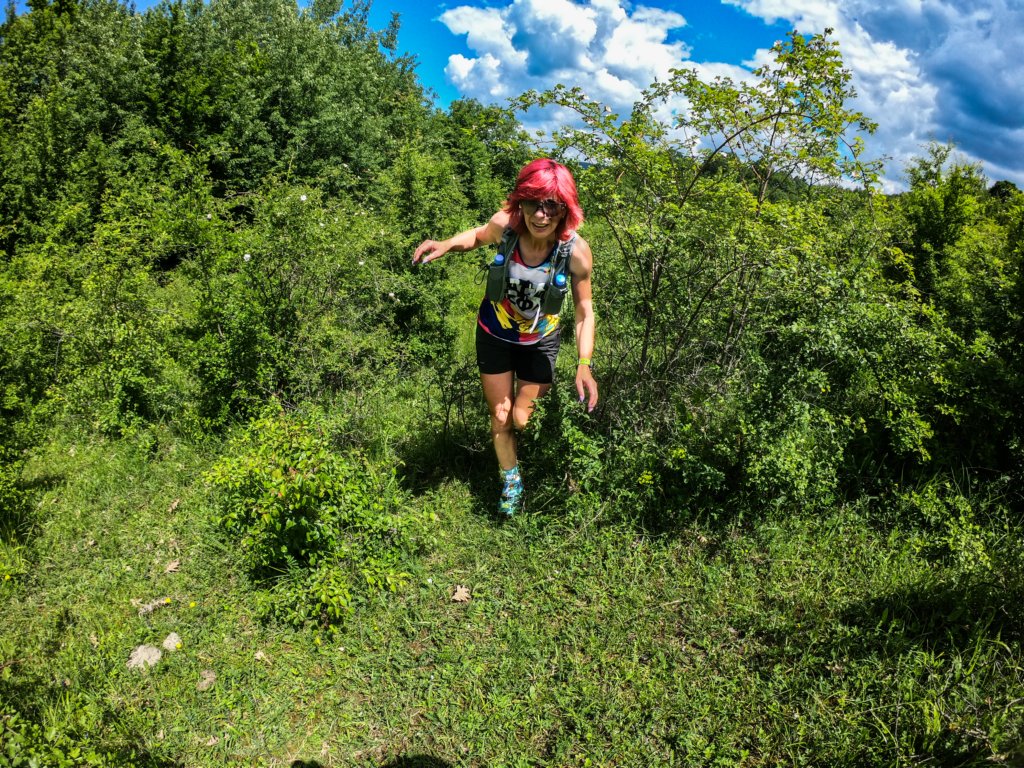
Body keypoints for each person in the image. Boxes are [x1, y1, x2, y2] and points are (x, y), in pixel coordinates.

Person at [412, 158, 598, 516]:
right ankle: (512, 481)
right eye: (532, 203)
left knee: (521, 418)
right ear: (520, 202)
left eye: (551, 206)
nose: (540, 215)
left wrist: (584, 364)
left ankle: (549, 453)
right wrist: (447, 244)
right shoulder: (507, 227)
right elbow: (478, 235)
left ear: (565, 209)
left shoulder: (575, 252)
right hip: (494, 333)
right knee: (500, 415)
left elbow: (584, 312)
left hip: (539, 341)